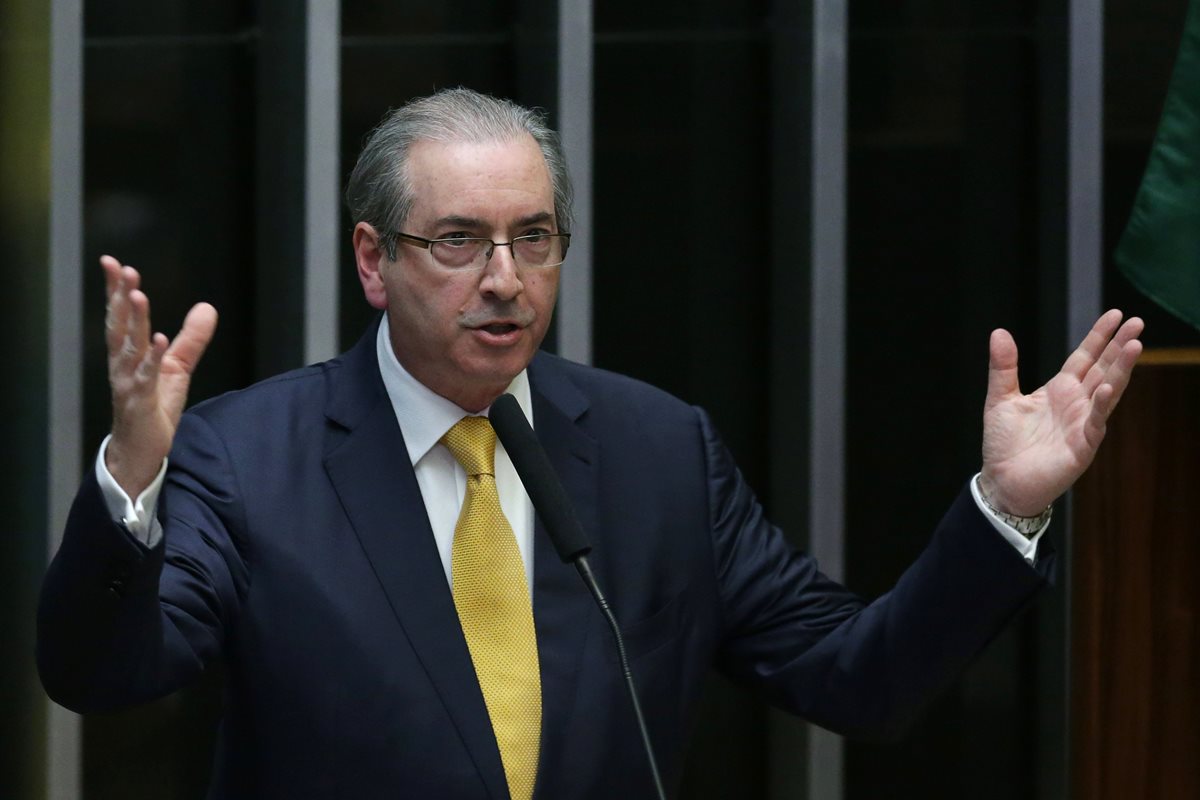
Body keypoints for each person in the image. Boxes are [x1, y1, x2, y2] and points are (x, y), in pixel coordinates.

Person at [37, 88, 1143, 799]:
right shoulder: (248, 454)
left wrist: (1004, 505)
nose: (505, 279)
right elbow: (104, 672)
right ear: (374, 261)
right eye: (460, 241)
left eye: (534, 238)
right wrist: (133, 476)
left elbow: (861, 678)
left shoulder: (657, 447)